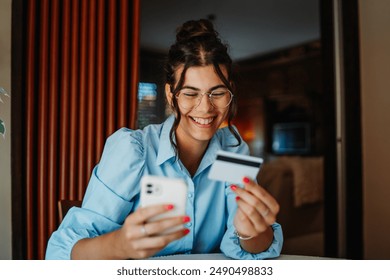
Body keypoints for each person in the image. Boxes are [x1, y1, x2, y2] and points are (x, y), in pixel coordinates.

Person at [45, 19, 283, 260]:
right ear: (171, 95)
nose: (205, 108)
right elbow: (58, 254)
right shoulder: (131, 149)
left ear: (230, 91)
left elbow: (248, 246)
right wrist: (119, 245)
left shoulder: (232, 149)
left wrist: (251, 232)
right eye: (190, 93)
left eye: (217, 93)